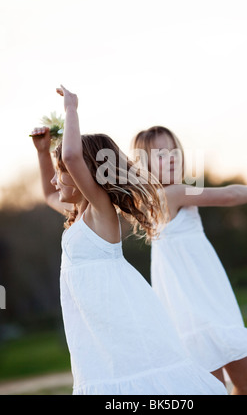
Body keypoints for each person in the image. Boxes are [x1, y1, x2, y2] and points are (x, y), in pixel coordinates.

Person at [30, 87, 227, 396]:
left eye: (61, 173)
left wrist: (71, 109)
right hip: (94, 327)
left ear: (86, 173)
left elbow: (70, 154)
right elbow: (48, 194)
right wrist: (43, 153)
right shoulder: (77, 213)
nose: (56, 180)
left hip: (119, 311)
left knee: (143, 383)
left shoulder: (100, 210)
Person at [132, 125, 247, 395]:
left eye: (174, 150)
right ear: (144, 166)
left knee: (245, 377)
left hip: (206, 297)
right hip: (192, 307)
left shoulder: (167, 194)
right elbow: (228, 195)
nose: (172, 157)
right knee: (213, 386)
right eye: (161, 155)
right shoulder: (171, 194)